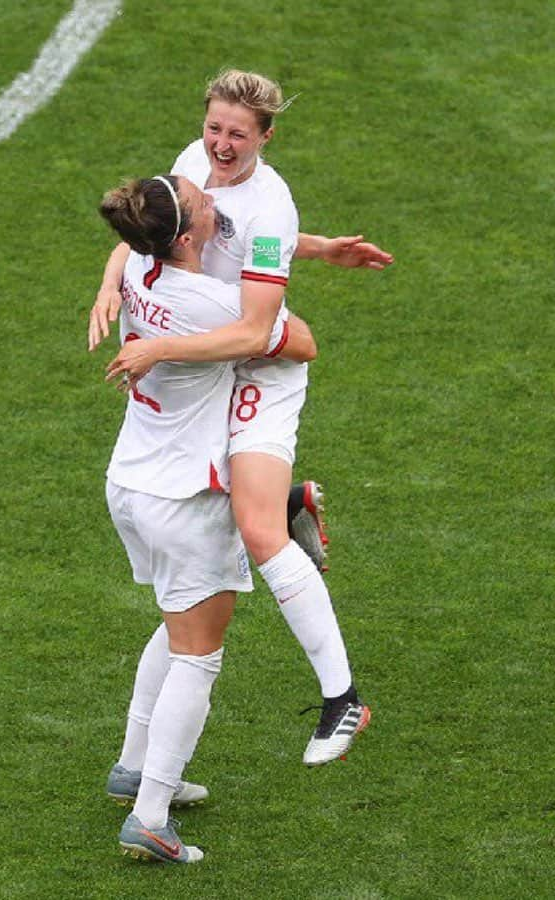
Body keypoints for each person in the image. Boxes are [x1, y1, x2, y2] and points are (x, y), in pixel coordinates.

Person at [90, 70, 393, 766]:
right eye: (214, 128)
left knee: (254, 533)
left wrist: (161, 345)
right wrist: (109, 283)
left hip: (258, 363)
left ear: (265, 136)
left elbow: (263, 332)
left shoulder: (271, 204)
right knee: (214, 509)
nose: (220, 146)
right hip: (210, 349)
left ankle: (341, 699)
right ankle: (286, 503)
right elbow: (153, 225)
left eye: (237, 134)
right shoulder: (192, 165)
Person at [99, 173, 316, 863]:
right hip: (183, 501)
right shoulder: (212, 303)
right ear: (188, 236)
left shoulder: (137, 262)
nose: (214, 199)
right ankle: (151, 816)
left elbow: (126, 258)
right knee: (199, 655)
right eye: (201, 201)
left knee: (174, 620)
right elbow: (300, 341)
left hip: (130, 481)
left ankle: (133, 766)